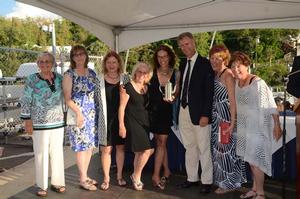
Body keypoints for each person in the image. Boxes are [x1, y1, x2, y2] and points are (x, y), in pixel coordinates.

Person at [230, 51, 282, 199]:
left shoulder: (258, 83)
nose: (236, 69)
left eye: (238, 66)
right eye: (233, 67)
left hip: (258, 129)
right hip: (245, 128)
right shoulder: (237, 83)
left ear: (247, 66)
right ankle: (254, 189)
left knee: (256, 162)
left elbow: (271, 105)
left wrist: (277, 125)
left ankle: (261, 193)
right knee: (251, 161)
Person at [20, 52, 65, 197]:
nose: (44, 64)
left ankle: (57, 182)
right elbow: (26, 100)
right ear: (38, 63)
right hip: (38, 124)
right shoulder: (31, 79)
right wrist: (27, 120)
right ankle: (42, 185)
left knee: (57, 152)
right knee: (41, 154)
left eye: (47, 61)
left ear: (52, 63)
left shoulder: (59, 78)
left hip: (58, 122)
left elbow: (67, 96)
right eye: (41, 61)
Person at [176, 32, 214, 194]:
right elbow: (184, 88)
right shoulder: (183, 64)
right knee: (189, 146)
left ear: (194, 43)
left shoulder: (205, 63)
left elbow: (209, 91)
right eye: (182, 45)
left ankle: (207, 181)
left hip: (200, 114)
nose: (185, 48)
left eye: (187, 44)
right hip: (183, 110)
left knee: (203, 148)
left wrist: (206, 114)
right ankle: (192, 178)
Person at [209, 45, 246, 194]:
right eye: (212, 58)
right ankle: (228, 182)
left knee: (226, 152)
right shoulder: (216, 74)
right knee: (220, 151)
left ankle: (228, 184)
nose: (214, 61)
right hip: (217, 117)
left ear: (224, 59)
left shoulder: (228, 75)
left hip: (225, 119)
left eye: (218, 58)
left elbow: (232, 100)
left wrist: (232, 123)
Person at [63, 45, 98, 191]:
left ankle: (85, 175)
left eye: (81, 54)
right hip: (77, 114)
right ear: (72, 57)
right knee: (80, 147)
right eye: (75, 55)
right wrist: (79, 113)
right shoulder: (69, 74)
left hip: (91, 115)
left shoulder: (92, 73)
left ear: (85, 55)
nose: (79, 57)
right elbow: (67, 98)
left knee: (89, 146)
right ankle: (83, 178)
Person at [96, 51, 130, 190]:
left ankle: (120, 176)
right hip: (105, 120)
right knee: (106, 150)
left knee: (120, 148)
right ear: (105, 64)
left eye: (114, 62)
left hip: (121, 120)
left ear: (118, 64)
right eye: (109, 62)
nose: (111, 65)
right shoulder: (98, 79)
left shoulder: (125, 79)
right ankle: (106, 178)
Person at [118, 62, 154, 191]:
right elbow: (121, 108)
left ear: (148, 74)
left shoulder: (147, 87)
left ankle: (135, 175)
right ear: (135, 72)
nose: (141, 74)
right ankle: (136, 176)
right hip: (132, 122)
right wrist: (121, 126)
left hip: (144, 122)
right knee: (148, 150)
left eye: (145, 72)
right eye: (139, 71)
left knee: (140, 152)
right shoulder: (127, 86)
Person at [148, 45, 180, 189]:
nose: (162, 59)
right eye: (159, 57)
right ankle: (167, 171)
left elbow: (177, 93)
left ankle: (156, 174)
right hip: (152, 113)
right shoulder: (151, 72)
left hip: (166, 112)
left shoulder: (177, 73)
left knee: (161, 143)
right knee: (160, 143)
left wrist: (173, 97)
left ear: (170, 57)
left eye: (165, 56)